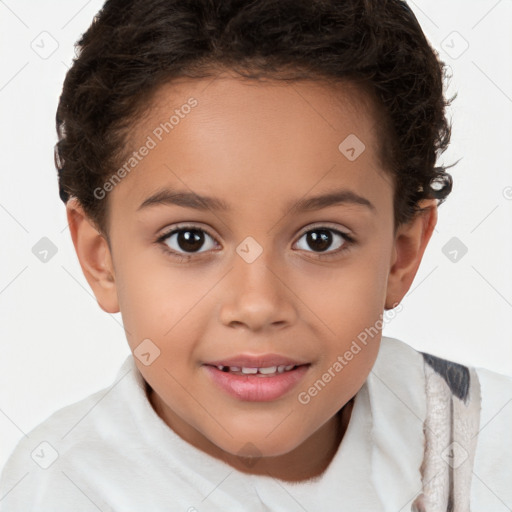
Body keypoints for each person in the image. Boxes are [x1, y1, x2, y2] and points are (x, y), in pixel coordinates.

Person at [1, 0, 510, 510]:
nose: (258, 305)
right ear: (101, 259)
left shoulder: (484, 448)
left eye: (320, 239)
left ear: (402, 255)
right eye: (190, 240)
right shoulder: (56, 488)